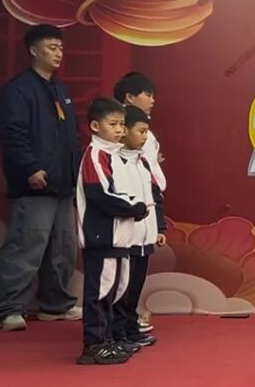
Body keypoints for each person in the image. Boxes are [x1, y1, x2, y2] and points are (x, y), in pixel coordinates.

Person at [0, 24, 82, 331]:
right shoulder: (18, 89)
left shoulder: (61, 89)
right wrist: (31, 168)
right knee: (25, 246)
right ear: (34, 50)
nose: (59, 53)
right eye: (52, 47)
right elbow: (12, 134)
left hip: (64, 183)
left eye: (61, 48)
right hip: (34, 183)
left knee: (63, 248)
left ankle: (55, 305)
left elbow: (73, 136)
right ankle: (8, 309)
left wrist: (75, 173)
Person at [76, 98, 149, 365]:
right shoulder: (95, 154)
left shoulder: (113, 155)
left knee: (115, 291)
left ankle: (107, 339)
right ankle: (94, 345)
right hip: (103, 237)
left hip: (120, 238)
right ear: (95, 126)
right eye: (113, 124)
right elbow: (100, 193)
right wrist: (133, 207)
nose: (119, 130)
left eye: (122, 125)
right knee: (100, 292)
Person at [109, 106, 165, 350]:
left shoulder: (142, 161)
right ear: (125, 131)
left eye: (146, 132)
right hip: (125, 236)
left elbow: (155, 195)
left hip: (145, 235)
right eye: (141, 131)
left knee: (135, 287)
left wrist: (159, 227)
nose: (144, 137)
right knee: (122, 287)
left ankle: (130, 329)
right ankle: (117, 333)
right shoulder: (113, 160)